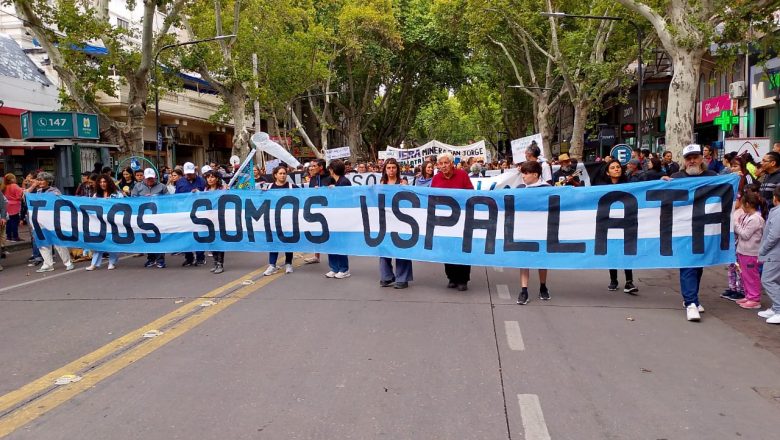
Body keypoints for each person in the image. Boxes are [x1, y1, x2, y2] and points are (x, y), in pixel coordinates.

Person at [669, 144, 718, 321]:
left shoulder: (713, 177)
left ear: (701, 158)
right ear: (684, 161)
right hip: (683, 230)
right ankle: (691, 303)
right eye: (688, 158)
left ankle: (691, 299)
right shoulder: (675, 177)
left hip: (705, 230)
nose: (692, 161)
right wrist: (663, 185)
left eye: (695, 157)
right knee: (688, 264)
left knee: (697, 266)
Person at [595, 161, 639, 294]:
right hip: (608, 224)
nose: (616, 169)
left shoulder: (629, 184)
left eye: (618, 167)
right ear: (607, 172)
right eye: (613, 168)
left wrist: (662, 179)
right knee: (612, 252)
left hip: (627, 223)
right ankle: (613, 280)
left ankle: (629, 281)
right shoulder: (601, 187)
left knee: (627, 251)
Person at [431, 152, 474, 291]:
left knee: (461, 248)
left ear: (452, 163)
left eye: (446, 163)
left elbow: (470, 193)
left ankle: (463, 279)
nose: (443, 166)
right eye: (441, 163)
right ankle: (452, 277)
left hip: (461, 219)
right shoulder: (436, 179)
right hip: (443, 221)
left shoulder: (462, 175)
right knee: (446, 248)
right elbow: (431, 197)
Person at [515, 161, 552, 304]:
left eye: (526, 173)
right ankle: (524, 290)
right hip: (524, 229)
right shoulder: (519, 188)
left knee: (542, 259)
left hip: (542, 229)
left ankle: (543, 286)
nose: (523, 176)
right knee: (524, 260)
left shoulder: (547, 188)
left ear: (535, 174)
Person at [27, 172, 74, 273]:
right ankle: (47, 264)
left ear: (48, 181)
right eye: (38, 180)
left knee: (58, 242)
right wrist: (33, 186)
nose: (40, 182)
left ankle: (68, 262)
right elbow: (25, 195)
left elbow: (59, 203)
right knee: (42, 242)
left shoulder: (54, 191)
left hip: (53, 221)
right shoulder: (37, 192)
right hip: (40, 222)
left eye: (42, 180)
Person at [378, 158, 413, 289]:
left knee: (402, 248)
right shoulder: (381, 183)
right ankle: (386, 276)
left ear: (397, 169)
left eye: (393, 167)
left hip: (402, 220)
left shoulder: (403, 182)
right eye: (388, 168)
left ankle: (402, 278)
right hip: (385, 219)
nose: (391, 170)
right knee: (384, 248)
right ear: (385, 169)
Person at [732, 191, 765, 310]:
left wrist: (736, 225)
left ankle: (754, 298)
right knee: (744, 275)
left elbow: (745, 234)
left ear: (747, 204)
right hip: (743, 250)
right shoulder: (748, 216)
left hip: (751, 252)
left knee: (752, 276)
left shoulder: (756, 218)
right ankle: (749, 295)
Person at [262, 166, 298, 276]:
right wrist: (262, 193)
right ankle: (272, 265)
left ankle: (288, 263)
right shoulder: (269, 187)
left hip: (288, 219)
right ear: (275, 175)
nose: (283, 175)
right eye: (280, 173)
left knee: (288, 241)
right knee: (274, 242)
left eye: (284, 173)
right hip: (274, 219)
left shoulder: (292, 187)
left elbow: (306, 194)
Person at [132, 168, 169, 268]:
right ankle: (151, 259)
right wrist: (142, 198)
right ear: (144, 178)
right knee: (147, 238)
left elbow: (169, 200)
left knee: (158, 237)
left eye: (152, 178)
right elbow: (132, 199)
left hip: (158, 216)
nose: (150, 180)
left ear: (155, 177)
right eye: (148, 178)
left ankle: (160, 260)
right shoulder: (138, 186)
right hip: (144, 216)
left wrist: (156, 198)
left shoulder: (162, 187)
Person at [86, 175, 124, 271]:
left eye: (105, 182)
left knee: (112, 241)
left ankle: (112, 262)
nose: (102, 184)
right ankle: (94, 263)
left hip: (114, 221)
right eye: (101, 182)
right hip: (100, 222)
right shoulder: (95, 195)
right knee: (99, 241)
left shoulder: (117, 194)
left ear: (109, 183)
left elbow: (123, 206)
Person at [324, 159, 352, 279]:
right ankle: (334, 267)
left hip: (341, 217)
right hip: (331, 216)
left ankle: (344, 268)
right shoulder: (331, 181)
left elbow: (346, 198)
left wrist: (335, 191)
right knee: (331, 242)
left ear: (333, 169)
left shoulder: (344, 182)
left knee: (340, 243)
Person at [176, 162, 207, 266]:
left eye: (191, 173)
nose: (189, 175)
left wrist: (199, 192)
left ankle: (200, 257)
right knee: (186, 234)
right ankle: (189, 257)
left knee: (199, 234)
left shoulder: (202, 181)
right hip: (185, 212)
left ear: (195, 171)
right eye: (187, 174)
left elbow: (208, 195)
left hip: (198, 212)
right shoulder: (180, 182)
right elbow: (176, 197)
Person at [758, 186, 780, 324]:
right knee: (775, 280)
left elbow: (774, 235)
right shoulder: (776, 212)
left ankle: (779, 308)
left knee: (767, 280)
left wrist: (763, 250)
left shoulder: (778, 214)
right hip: (775, 253)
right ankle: (775, 307)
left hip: (774, 254)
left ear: (775, 198)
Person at [304, 159, 332, 264]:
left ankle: (333, 257)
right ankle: (316, 256)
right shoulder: (313, 178)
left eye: (314, 166)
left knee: (329, 233)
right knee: (316, 231)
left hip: (328, 209)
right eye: (311, 166)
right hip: (316, 209)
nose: (311, 168)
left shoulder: (330, 177)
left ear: (321, 167)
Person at [204, 170, 227, 274]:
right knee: (212, 240)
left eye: (212, 177)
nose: (210, 179)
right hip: (209, 218)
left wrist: (227, 191)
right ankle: (215, 262)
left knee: (219, 241)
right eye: (208, 177)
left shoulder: (222, 189)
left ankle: (220, 264)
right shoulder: (205, 190)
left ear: (217, 179)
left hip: (220, 218)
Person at [3, 173, 23, 241]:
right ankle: (15, 237)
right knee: (15, 221)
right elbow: (19, 196)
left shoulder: (4, 186)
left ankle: (8, 236)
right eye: (14, 178)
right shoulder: (14, 185)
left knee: (8, 221)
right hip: (14, 206)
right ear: (12, 179)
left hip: (6, 205)